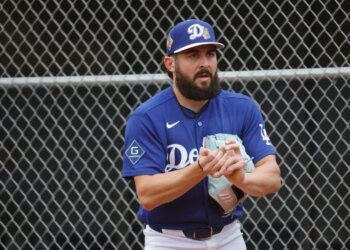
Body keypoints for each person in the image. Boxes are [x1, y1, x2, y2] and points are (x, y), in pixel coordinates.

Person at [122, 19, 281, 250]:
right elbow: (147, 194)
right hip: (169, 241)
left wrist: (241, 178)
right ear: (170, 63)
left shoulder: (243, 108)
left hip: (229, 237)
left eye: (210, 54)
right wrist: (200, 169)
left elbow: (272, 178)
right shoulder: (147, 117)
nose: (204, 63)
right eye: (193, 55)